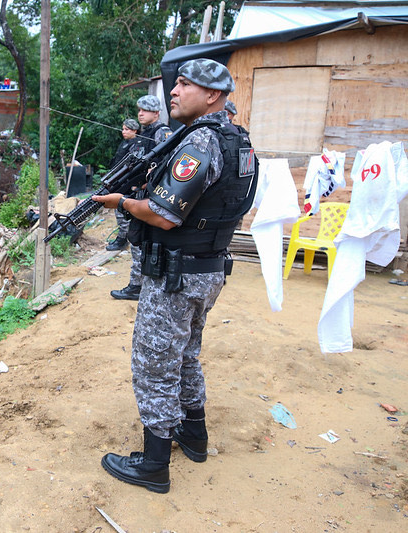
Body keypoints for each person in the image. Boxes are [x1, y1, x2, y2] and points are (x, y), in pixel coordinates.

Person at [92, 58, 258, 494]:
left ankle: (153, 463)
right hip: (207, 269)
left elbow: (164, 215)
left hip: (176, 275)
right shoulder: (237, 139)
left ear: (213, 96)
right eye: (176, 83)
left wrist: (122, 204)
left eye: (186, 85)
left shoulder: (201, 141)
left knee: (154, 363)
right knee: (185, 355)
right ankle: (195, 435)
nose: (174, 91)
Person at [109, 95, 172, 299]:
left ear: (156, 113)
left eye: (146, 110)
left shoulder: (162, 133)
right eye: (139, 110)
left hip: (151, 196)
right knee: (139, 240)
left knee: (139, 240)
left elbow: (166, 164)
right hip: (140, 193)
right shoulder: (146, 134)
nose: (140, 113)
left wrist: (148, 184)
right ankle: (140, 284)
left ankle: (137, 286)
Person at [105, 118, 142, 251]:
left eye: (127, 129)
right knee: (119, 211)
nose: (123, 132)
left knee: (123, 211)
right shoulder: (125, 143)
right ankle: (122, 237)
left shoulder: (137, 144)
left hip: (128, 183)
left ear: (135, 130)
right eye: (123, 129)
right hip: (119, 181)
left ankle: (123, 239)